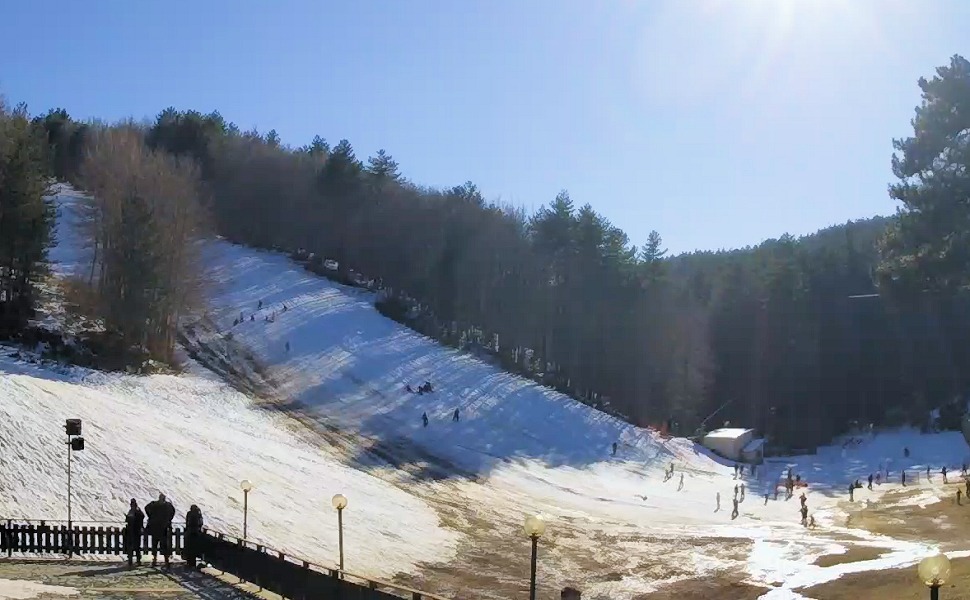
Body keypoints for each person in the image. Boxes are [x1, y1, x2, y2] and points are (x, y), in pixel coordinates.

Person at [145, 493, 176, 567]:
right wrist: (168, 519)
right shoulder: (167, 506)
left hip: (156, 527)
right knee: (163, 545)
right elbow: (173, 511)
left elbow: (146, 508)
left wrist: (151, 517)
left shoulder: (154, 505)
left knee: (156, 544)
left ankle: (156, 560)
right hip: (163, 527)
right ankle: (165, 561)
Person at [124, 499, 145, 567]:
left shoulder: (136, 512)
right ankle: (132, 560)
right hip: (133, 531)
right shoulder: (135, 511)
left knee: (135, 547)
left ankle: (136, 560)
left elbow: (140, 518)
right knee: (133, 547)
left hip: (134, 531)